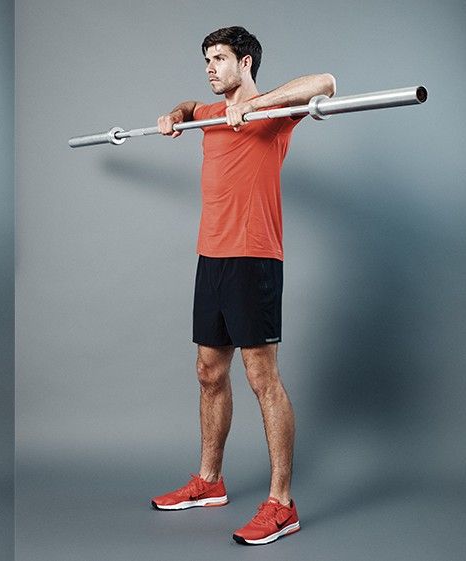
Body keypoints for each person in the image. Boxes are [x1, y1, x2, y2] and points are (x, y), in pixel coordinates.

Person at [148, 26, 335, 546]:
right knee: (209, 371)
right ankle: (209, 481)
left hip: (255, 260)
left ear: (246, 63)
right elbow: (189, 105)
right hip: (211, 259)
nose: (210, 68)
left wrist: (258, 107)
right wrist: (175, 115)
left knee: (262, 378)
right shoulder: (211, 113)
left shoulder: (274, 116)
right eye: (206, 59)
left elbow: (326, 82)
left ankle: (282, 504)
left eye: (219, 59)